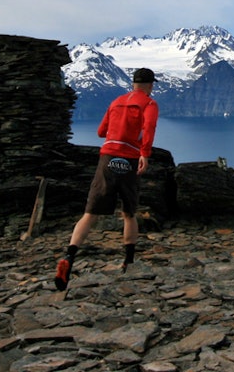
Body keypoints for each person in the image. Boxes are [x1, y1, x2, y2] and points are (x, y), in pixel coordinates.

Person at [54, 67, 159, 290]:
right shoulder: (149, 104)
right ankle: (128, 262)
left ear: (133, 84)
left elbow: (101, 132)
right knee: (129, 213)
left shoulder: (116, 102)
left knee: (90, 213)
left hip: (107, 158)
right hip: (129, 159)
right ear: (150, 85)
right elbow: (148, 128)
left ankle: (69, 257)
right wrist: (145, 154)